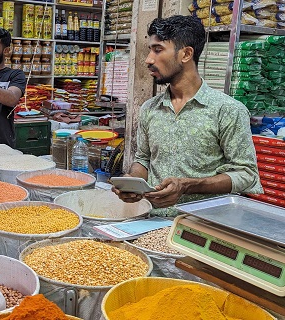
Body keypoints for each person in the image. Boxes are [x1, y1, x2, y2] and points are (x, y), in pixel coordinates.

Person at [112, 15, 262, 216]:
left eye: (158, 50)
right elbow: (144, 159)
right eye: (150, 50)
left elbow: (246, 175)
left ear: (186, 54)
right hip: (152, 222)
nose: (148, 60)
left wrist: (188, 185)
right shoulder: (150, 108)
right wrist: (132, 184)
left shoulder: (227, 110)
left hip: (202, 226)